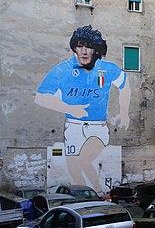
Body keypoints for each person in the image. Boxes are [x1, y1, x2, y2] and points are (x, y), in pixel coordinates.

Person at [34, 25, 131, 193]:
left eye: (89, 46)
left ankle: (99, 193)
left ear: (96, 50)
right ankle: (85, 198)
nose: (84, 51)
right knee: (73, 167)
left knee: (84, 161)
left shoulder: (106, 69)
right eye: (80, 46)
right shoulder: (62, 70)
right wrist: (70, 108)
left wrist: (124, 113)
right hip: (73, 125)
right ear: (74, 48)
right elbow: (41, 97)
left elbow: (125, 85)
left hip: (97, 127)